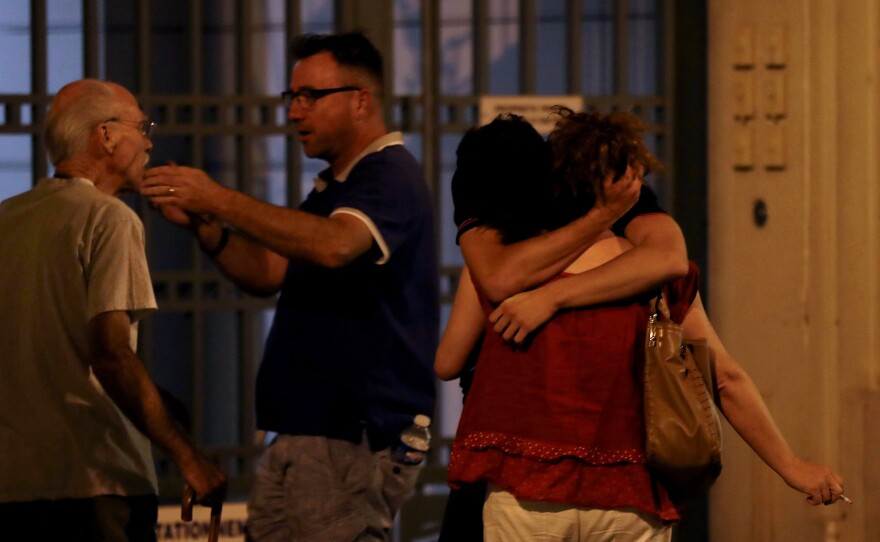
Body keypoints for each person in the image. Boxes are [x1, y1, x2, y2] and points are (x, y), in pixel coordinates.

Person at [438, 111, 846, 541]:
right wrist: (793, 468)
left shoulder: (500, 270)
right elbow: (723, 377)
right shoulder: (654, 276)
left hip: (528, 494)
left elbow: (447, 361)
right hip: (630, 498)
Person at [141, 32, 438, 541]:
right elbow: (270, 272)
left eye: (310, 97)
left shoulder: (388, 175)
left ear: (361, 99)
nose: (295, 112)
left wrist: (218, 197)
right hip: (304, 431)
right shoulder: (335, 185)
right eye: (291, 97)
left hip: (350, 434)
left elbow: (334, 246)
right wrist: (204, 228)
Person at [0, 79, 226, 541]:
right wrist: (189, 458)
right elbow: (109, 354)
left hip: (13, 487)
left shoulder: (8, 218)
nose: (147, 140)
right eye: (141, 126)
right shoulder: (108, 218)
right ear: (105, 135)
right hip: (95, 484)